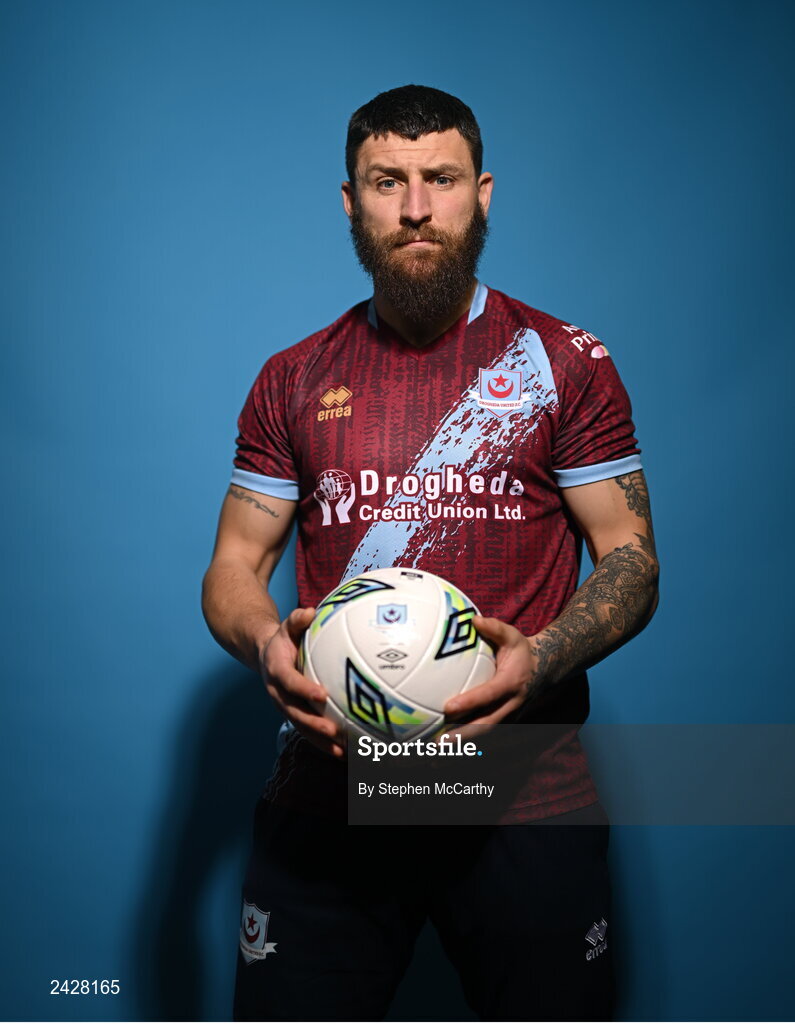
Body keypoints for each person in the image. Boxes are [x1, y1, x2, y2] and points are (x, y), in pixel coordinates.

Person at [202, 84, 659, 1022]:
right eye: (387, 181)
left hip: (521, 793)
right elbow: (234, 569)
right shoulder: (293, 377)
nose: (416, 207)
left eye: (440, 179)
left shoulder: (563, 361)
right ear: (349, 200)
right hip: (337, 795)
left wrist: (541, 661)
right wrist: (264, 646)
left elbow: (631, 557)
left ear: (480, 192)